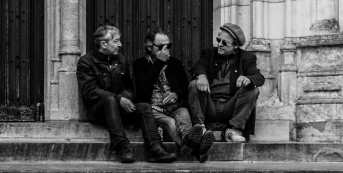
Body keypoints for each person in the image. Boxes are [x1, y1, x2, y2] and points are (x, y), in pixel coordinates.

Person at [77, 25, 176, 164]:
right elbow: (89, 91)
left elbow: (129, 86)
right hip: (98, 110)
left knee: (144, 107)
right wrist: (118, 98)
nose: (120, 44)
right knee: (109, 99)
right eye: (116, 41)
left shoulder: (120, 59)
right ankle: (123, 147)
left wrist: (128, 97)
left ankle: (155, 149)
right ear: (103, 44)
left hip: (119, 107)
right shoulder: (86, 62)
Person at [133, 29, 214, 163]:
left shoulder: (175, 63)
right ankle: (198, 150)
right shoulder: (140, 64)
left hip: (174, 106)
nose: (166, 50)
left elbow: (184, 87)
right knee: (171, 123)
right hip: (153, 109)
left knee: (183, 114)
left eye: (168, 46)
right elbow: (142, 90)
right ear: (149, 46)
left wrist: (176, 94)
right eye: (160, 47)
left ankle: (189, 141)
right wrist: (159, 62)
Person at [188, 23, 265, 142]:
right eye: (218, 40)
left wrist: (249, 79)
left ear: (235, 46)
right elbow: (199, 66)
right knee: (194, 84)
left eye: (224, 43)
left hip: (230, 106)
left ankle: (234, 130)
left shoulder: (246, 57)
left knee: (253, 90)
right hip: (210, 105)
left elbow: (259, 77)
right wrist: (202, 76)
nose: (219, 44)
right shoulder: (209, 53)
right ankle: (199, 128)